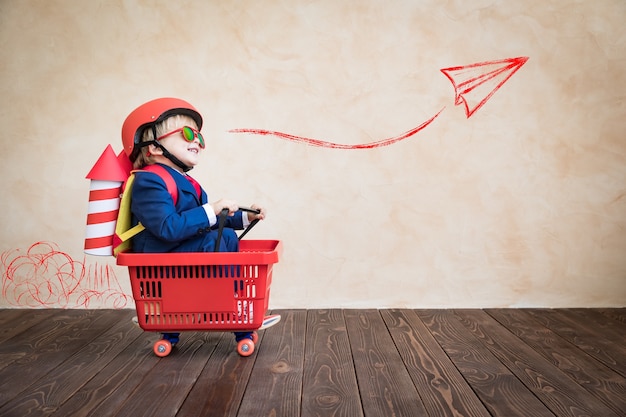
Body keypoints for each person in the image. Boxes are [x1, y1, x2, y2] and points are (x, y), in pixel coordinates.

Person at [121, 97, 279, 343]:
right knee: (220, 238)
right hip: (160, 267)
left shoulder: (186, 182)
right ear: (153, 147)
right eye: (186, 133)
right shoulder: (149, 181)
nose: (196, 140)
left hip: (181, 260)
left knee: (222, 234)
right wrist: (211, 209)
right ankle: (237, 312)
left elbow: (206, 222)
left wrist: (246, 217)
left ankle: (234, 311)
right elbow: (167, 228)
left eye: (199, 137)